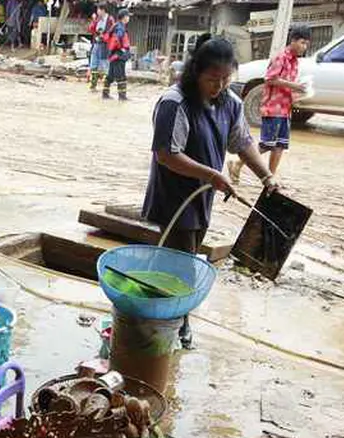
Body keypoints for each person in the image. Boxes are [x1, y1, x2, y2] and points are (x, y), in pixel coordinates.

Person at [140, 37, 280, 348]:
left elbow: (242, 143)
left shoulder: (229, 102)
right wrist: (213, 174)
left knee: (180, 260)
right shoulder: (174, 102)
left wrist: (266, 176)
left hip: (203, 198)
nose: (218, 86)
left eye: (225, 79)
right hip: (174, 198)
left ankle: (165, 318)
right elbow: (166, 154)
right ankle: (174, 328)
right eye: (212, 79)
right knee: (180, 266)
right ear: (195, 73)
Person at [228, 24, 311, 182]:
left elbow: (286, 84)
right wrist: (295, 86)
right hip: (273, 108)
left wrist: (297, 94)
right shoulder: (281, 58)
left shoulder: (295, 62)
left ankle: (269, 178)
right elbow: (270, 79)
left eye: (306, 44)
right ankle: (237, 163)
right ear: (293, 41)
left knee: (280, 145)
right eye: (302, 42)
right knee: (267, 144)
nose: (304, 47)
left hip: (286, 108)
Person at [102, 9, 131, 101]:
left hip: (113, 55)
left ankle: (105, 94)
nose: (129, 18)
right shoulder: (120, 27)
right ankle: (122, 97)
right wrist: (120, 50)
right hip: (118, 55)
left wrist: (111, 52)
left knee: (110, 75)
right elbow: (116, 39)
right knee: (121, 76)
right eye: (128, 16)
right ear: (124, 17)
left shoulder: (115, 26)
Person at [87, 5, 111, 91]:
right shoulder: (97, 19)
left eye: (98, 10)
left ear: (103, 10)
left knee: (104, 65)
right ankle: (93, 86)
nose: (97, 12)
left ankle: (106, 87)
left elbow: (111, 33)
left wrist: (104, 37)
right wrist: (93, 21)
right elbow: (90, 29)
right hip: (96, 44)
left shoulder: (110, 20)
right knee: (94, 63)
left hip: (105, 45)